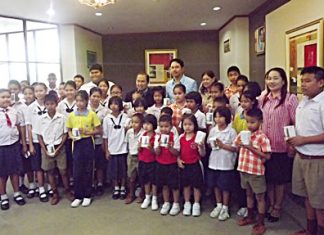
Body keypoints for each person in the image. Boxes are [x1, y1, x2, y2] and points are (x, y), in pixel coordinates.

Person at [287, 66, 324, 235]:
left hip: (316, 159)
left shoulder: (322, 103)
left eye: (308, 81)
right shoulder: (304, 101)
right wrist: (293, 140)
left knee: (320, 202)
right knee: (307, 197)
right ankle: (310, 230)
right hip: (301, 156)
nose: (303, 84)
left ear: (321, 82)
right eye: (302, 81)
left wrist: (304, 140)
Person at [259, 68, 298, 223]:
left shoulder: (290, 99)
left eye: (275, 78)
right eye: (269, 78)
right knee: (268, 178)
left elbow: (296, 123)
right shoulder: (263, 98)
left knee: (280, 180)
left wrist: (292, 145)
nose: (271, 81)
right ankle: (271, 203)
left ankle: (277, 206)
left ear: (283, 81)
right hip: (265, 147)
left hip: (282, 146)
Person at [234, 108, 271, 235]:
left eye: (253, 122)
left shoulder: (262, 137)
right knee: (248, 194)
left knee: (260, 197)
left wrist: (250, 147)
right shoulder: (242, 134)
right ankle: (250, 216)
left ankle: (261, 222)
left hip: (256, 172)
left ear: (260, 121)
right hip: (243, 169)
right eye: (248, 122)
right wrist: (239, 145)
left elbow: (267, 156)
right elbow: (237, 149)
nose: (250, 125)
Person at [34, 94, 73, 205]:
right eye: (47, 104)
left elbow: (65, 134)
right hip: (46, 148)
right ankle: (55, 193)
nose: (50, 106)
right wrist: (44, 150)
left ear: (56, 104)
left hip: (59, 148)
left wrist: (59, 148)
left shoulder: (62, 118)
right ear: (44, 105)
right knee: (50, 171)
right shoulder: (41, 119)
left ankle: (67, 190)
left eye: (52, 104)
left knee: (63, 171)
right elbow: (39, 136)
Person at [66, 90, 101, 208]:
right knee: (77, 170)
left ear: (86, 101)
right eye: (77, 101)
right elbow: (69, 130)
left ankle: (87, 195)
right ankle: (78, 195)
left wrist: (89, 132)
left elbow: (99, 130)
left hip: (87, 143)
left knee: (88, 169)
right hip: (76, 144)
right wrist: (71, 136)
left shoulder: (92, 114)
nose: (79, 103)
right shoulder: (71, 115)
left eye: (82, 101)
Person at [207, 107, 237, 221]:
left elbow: (235, 148)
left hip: (226, 163)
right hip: (214, 162)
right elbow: (209, 143)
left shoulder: (231, 131)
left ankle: (225, 207)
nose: (218, 119)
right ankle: (218, 205)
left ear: (227, 118)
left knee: (225, 186)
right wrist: (212, 144)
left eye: (221, 116)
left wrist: (222, 145)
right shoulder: (213, 130)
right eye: (216, 116)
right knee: (215, 185)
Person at [0, 89, 26, 210]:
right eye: (3, 97)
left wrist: (23, 143)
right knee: (2, 173)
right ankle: (3, 196)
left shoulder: (14, 111)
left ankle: (17, 193)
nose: (6, 99)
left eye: (8, 97)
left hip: (14, 144)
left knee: (15, 171)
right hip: (1, 146)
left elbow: (19, 126)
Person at [103, 96, 130, 200]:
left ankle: (123, 187)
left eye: (116, 104)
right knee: (113, 171)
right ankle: (116, 188)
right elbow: (105, 136)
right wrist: (106, 150)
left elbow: (129, 131)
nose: (114, 106)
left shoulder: (126, 117)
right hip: (112, 148)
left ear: (120, 105)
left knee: (123, 170)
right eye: (112, 104)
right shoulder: (107, 119)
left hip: (123, 147)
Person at [178, 114, 205, 217]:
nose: (187, 127)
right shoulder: (181, 137)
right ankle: (187, 203)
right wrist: (178, 160)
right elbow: (178, 152)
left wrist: (201, 147)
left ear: (195, 125)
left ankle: (196, 204)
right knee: (186, 185)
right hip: (184, 165)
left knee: (196, 186)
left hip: (195, 164)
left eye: (190, 124)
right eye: (185, 124)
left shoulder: (198, 137)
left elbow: (202, 154)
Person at [25, 83, 49, 202]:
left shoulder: (50, 104)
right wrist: (30, 144)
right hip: (35, 141)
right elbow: (28, 126)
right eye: (36, 91)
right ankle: (41, 189)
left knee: (49, 165)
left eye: (41, 90)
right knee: (38, 167)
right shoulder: (30, 108)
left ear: (46, 91)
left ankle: (50, 186)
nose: (39, 93)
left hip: (48, 140)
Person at [154, 115, 181, 216]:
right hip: (161, 164)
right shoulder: (158, 136)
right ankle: (166, 203)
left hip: (172, 164)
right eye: (161, 126)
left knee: (174, 185)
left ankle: (176, 203)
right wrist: (159, 147)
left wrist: (170, 148)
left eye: (166, 126)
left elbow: (177, 152)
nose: (163, 129)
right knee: (164, 185)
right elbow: (156, 152)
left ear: (171, 126)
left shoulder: (174, 136)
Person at [88, 87, 109, 196]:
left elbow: (105, 128)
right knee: (90, 164)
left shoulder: (105, 111)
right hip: (87, 141)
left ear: (101, 98)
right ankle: (91, 183)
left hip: (100, 140)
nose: (95, 99)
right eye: (93, 96)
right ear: (89, 97)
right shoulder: (84, 109)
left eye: (98, 96)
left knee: (100, 164)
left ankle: (100, 183)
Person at [57, 81, 77, 186]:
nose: (69, 92)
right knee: (67, 159)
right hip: (65, 136)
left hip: (77, 136)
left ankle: (76, 178)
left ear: (76, 90)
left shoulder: (79, 102)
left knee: (76, 158)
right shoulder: (60, 105)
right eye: (67, 90)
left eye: (71, 90)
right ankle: (69, 180)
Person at [138, 114, 158, 210]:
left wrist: (151, 148)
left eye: (148, 124)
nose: (146, 126)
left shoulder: (156, 136)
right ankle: (147, 197)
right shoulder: (142, 135)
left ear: (153, 124)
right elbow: (139, 150)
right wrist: (139, 146)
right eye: (144, 123)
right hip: (143, 160)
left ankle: (154, 198)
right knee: (145, 180)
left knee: (153, 181)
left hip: (153, 161)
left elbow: (157, 152)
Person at [124, 113, 144, 204]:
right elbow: (126, 143)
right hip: (131, 156)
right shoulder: (129, 132)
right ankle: (131, 194)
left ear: (141, 123)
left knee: (141, 176)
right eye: (132, 122)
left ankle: (142, 195)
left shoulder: (144, 132)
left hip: (141, 156)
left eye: (136, 122)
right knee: (131, 177)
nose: (134, 124)